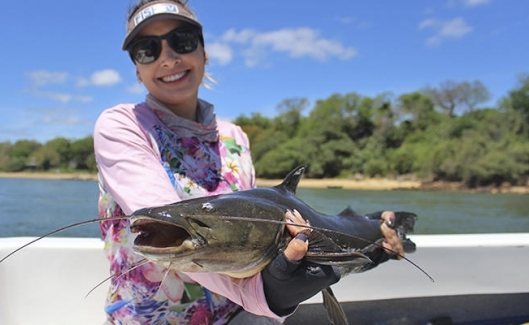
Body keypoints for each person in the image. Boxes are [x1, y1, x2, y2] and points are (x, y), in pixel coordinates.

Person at [93, 0, 406, 324]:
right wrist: (264, 295)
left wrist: (366, 241)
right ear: (137, 68)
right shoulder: (122, 125)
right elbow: (165, 223)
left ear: (204, 52)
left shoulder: (235, 138)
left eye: (182, 41)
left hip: (241, 316)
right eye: (147, 50)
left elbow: (258, 235)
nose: (168, 58)